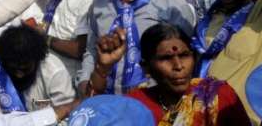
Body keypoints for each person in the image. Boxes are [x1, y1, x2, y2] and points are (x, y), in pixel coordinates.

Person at [96, 23, 250, 125]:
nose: (178, 66)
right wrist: (103, 67)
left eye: (184, 55)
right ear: (146, 67)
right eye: (166, 58)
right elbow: (89, 116)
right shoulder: (136, 105)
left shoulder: (217, 95)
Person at [0, 26, 76, 110]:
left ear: (37, 59)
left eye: (25, 69)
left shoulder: (54, 72)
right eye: (13, 69)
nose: (19, 75)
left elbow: (65, 112)